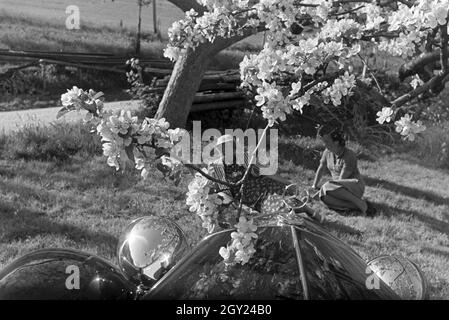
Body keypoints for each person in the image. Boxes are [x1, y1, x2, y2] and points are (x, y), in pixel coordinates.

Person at [311, 126, 376, 216]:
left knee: (326, 186)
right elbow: (321, 167)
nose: (324, 144)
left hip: (353, 187)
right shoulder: (327, 152)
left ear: (336, 142)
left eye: (327, 142)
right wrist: (314, 186)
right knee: (324, 197)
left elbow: (341, 180)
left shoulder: (349, 155)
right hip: (335, 188)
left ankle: (359, 203)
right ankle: (359, 205)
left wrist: (317, 194)